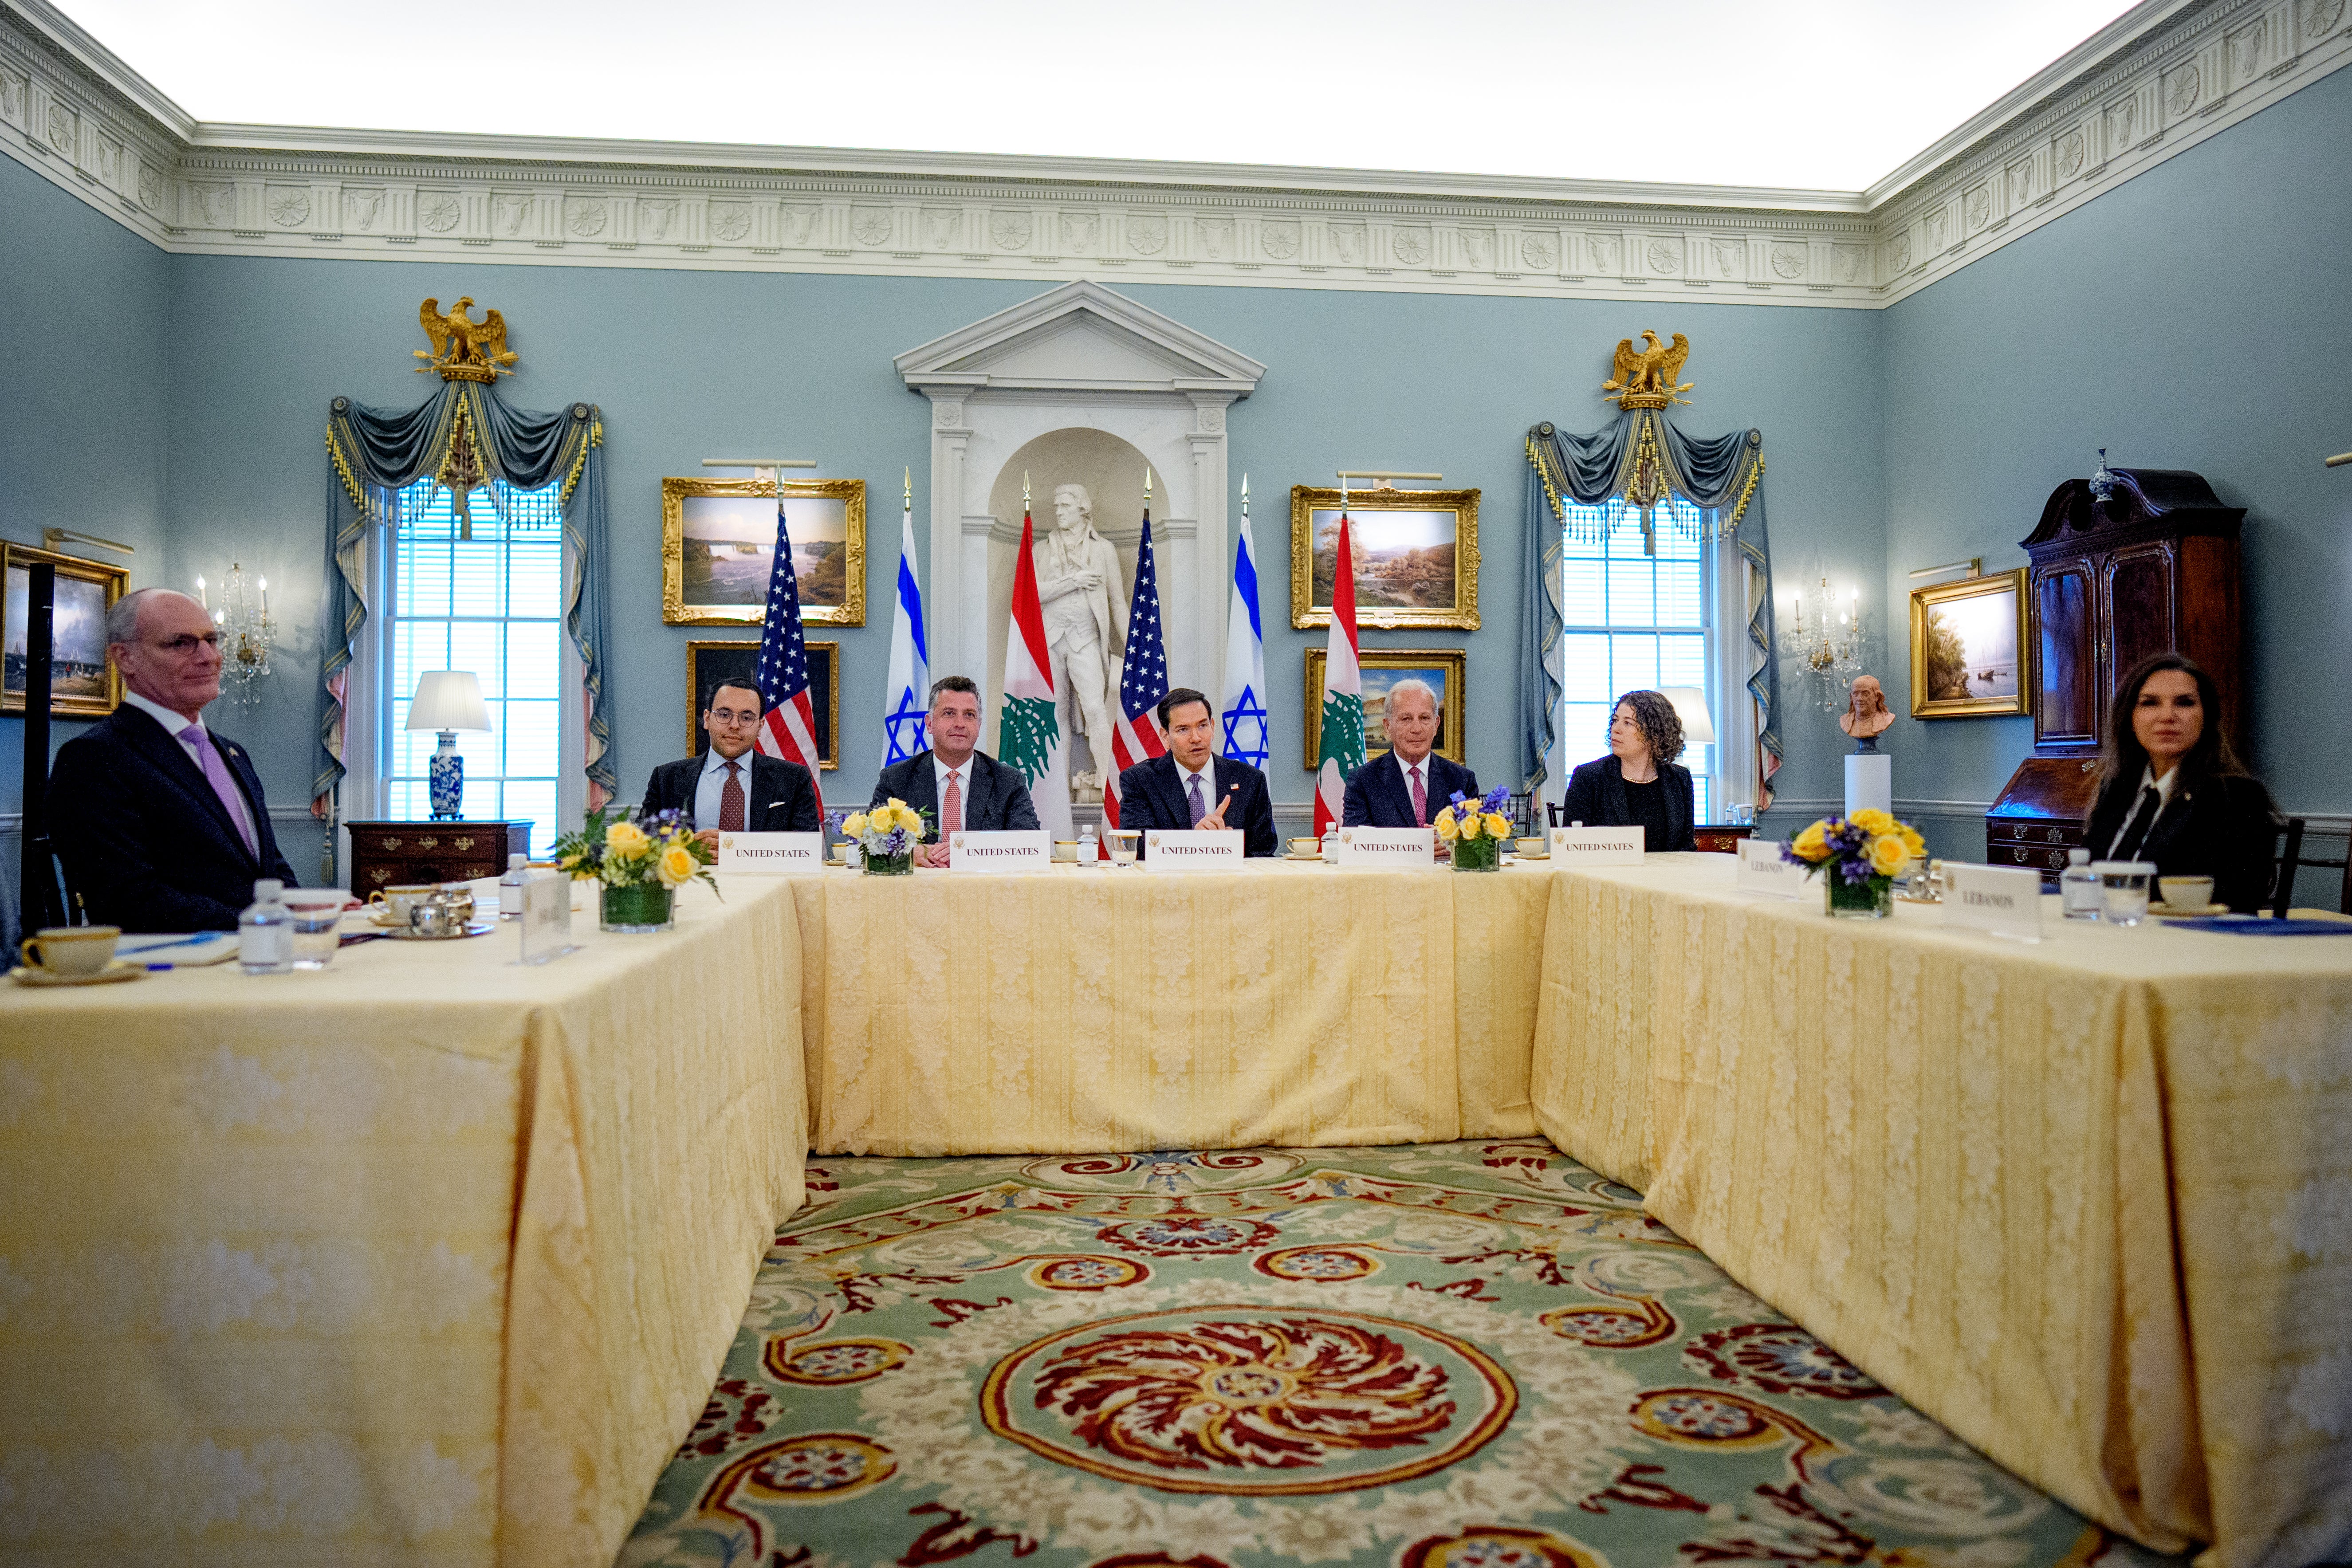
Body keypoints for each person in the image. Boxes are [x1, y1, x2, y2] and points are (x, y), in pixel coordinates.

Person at [47, 587, 303, 931]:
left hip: (265, 963)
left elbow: (268, 868)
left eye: (212, 640)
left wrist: (314, 912)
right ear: (125, 658)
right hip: (172, 975)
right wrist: (262, 923)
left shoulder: (233, 753)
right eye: (182, 643)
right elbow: (127, 899)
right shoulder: (95, 758)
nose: (208, 657)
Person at [2082, 652, 2276, 912]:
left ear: (2206, 717)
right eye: (2150, 703)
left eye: (2184, 703)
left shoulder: (2236, 797)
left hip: (2190, 943)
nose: (2168, 716)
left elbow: (2238, 900)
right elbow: (2085, 878)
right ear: (2129, 718)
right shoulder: (2114, 790)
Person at [869, 676, 1042, 868]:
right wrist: (907, 852)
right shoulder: (897, 779)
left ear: (979, 726)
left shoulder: (1008, 781)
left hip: (984, 889)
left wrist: (966, 850)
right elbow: (871, 839)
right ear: (929, 724)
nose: (960, 723)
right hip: (919, 890)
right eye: (949, 713)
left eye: (969, 715)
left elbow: (1029, 841)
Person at [640, 678, 821, 849]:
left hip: (763, 882)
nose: (735, 725)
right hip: (691, 881)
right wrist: (688, 847)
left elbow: (806, 848)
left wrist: (737, 849)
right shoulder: (667, 778)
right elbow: (642, 843)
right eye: (724, 715)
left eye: (747, 718)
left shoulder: (794, 779)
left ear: (760, 726)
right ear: (707, 719)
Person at [1035, 483, 1129, 786]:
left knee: (1095, 710)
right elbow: (1033, 594)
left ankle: (1108, 785)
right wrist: (1074, 581)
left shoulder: (1103, 549)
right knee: (1055, 715)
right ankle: (1057, 790)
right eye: (1056, 506)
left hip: (1085, 638)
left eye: (1065, 505)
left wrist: (1133, 647)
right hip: (1050, 639)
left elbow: (1118, 601)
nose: (1059, 511)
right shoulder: (1042, 549)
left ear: (1083, 509)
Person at [1116, 687, 1277, 857]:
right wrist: (1196, 843)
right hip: (1169, 883)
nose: (1196, 738)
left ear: (1213, 727)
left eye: (1202, 726)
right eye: (1183, 729)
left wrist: (1230, 847)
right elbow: (1138, 848)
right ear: (1165, 736)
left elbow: (1264, 853)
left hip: (1231, 882)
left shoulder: (1250, 779)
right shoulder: (1140, 780)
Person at [1558, 689, 1697, 852]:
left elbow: (1686, 846)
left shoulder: (1680, 778)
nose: (1616, 729)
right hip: (1607, 875)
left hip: (1666, 875)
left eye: (1628, 723)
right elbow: (1570, 847)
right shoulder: (1589, 777)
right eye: (1615, 720)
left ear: (1654, 733)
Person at [1342, 679, 1479, 828]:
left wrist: (1447, 843)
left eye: (1424, 718)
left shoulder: (1462, 780)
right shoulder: (1363, 781)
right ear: (1388, 727)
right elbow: (1356, 844)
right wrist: (1422, 843)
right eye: (1406, 719)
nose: (1416, 729)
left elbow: (1475, 844)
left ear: (1436, 725)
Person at [1840, 674, 1894, 751]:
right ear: (1851, 697)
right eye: (1856, 694)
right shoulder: (1845, 720)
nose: (1860, 699)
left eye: (1865, 694)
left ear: (1877, 697)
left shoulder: (1887, 719)